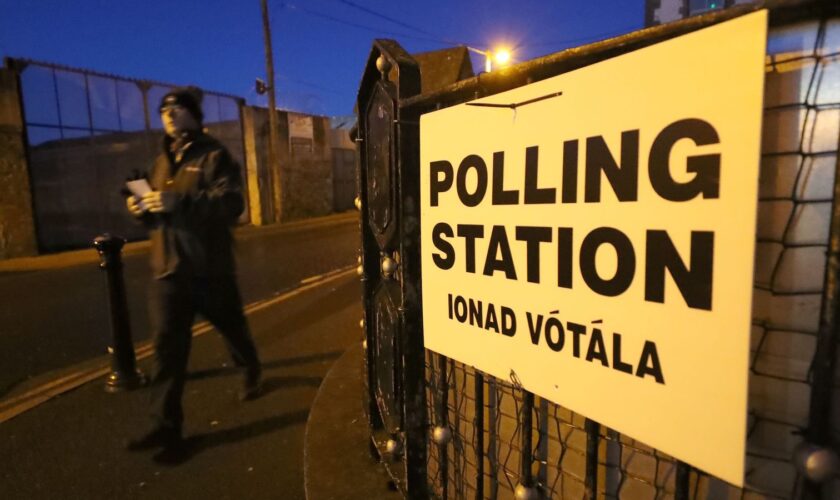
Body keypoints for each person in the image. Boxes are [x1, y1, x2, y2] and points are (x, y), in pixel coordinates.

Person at [124, 86, 261, 460]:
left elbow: (232, 203)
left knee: (233, 328)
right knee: (167, 350)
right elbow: (157, 214)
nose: (168, 114)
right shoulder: (160, 162)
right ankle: (167, 429)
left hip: (209, 270)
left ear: (194, 115)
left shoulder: (214, 155)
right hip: (168, 271)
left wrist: (179, 201)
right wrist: (141, 209)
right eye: (164, 110)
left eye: (176, 108)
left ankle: (250, 367)